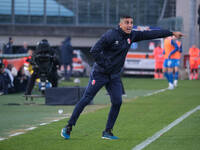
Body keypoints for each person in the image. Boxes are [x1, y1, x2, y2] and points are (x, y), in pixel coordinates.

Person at [61, 16, 183, 140]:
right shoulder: (110, 35)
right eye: (126, 23)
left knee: (117, 102)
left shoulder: (132, 36)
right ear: (120, 24)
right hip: (100, 73)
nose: (129, 25)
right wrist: (106, 64)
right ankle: (68, 126)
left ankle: (107, 131)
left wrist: (171, 33)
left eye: (131, 23)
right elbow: (94, 51)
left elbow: (150, 34)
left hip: (114, 76)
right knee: (86, 99)